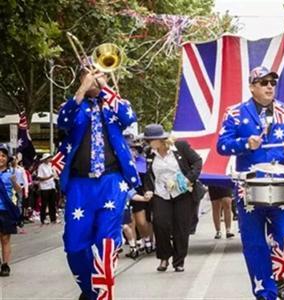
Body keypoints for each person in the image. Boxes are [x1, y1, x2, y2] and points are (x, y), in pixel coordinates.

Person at [217, 66, 284, 300]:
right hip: (249, 188)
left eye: (272, 83)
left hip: (282, 186)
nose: (269, 87)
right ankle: (266, 294)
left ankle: (276, 274)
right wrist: (246, 143)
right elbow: (221, 146)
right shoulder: (234, 112)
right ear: (252, 86)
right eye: (263, 82)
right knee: (254, 246)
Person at [57, 65, 140, 300]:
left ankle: (104, 295)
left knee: (106, 244)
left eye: (99, 73)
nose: (95, 78)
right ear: (81, 78)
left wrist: (105, 88)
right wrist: (82, 90)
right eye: (90, 74)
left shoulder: (113, 104)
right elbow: (63, 123)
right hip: (79, 185)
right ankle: (92, 293)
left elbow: (129, 117)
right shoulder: (73, 106)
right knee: (74, 246)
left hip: (112, 182)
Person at [142, 124, 204, 273]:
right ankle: (164, 257)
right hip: (161, 193)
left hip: (182, 192)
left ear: (160, 139)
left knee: (181, 228)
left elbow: (197, 161)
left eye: (151, 140)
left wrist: (189, 179)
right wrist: (149, 190)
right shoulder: (150, 153)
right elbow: (148, 175)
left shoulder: (180, 147)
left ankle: (179, 260)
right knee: (160, 224)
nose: (149, 143)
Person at [0, 145, 22, 277]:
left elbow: (19, 190)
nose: (0, 158)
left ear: (7, 158)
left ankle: (5, 265)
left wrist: (14, 182)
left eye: (3, 155)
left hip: (6, 210)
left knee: (5, 238)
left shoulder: (11, 174)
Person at [36, 153, 58, 225]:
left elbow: (54, 175)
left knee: (52, 204)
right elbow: (39, 177)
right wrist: (48, 177)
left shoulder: (50, 166)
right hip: (44, 188)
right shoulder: (41, 167)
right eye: (49, 158)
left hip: (51, 186)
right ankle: (43, 219)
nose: (50, 159)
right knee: (44, 204)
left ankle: (53, 218)